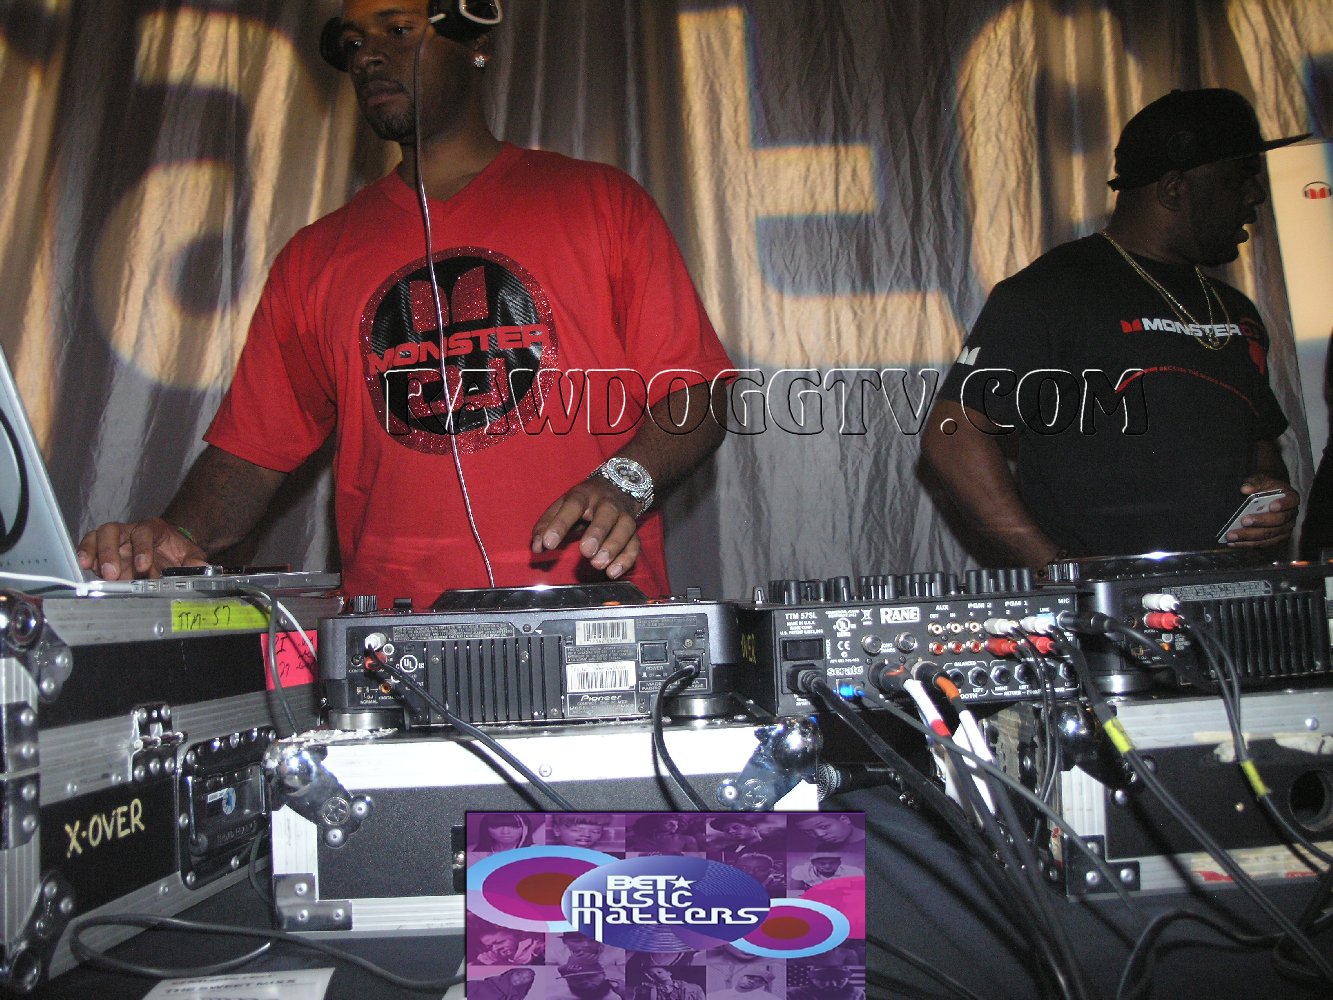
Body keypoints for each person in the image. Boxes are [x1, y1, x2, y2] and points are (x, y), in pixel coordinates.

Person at [75, 0, 732, 610]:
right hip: (395, 644)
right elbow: (253, 452)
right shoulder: (314, 257)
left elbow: (696, 391)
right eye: (353, 42)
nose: (367, 57)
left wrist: (625, 480)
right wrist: (177, 533)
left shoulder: (599, 202)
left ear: (474, 41)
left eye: (397, 30)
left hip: (594, 619)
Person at [923, 88, 1306, 568]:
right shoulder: (1053, 291)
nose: (1256, 195)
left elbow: (1260, 442)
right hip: (1110, 608)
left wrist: (1272, 499)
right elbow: (953, 435)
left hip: (1233, 597)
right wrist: (1059, 570)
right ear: (1174, 188)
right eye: (1241, 176)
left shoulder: (1234, 308)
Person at [632, 966, 705, 1000]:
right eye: (653, 975)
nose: (657, 975)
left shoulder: (694, 988)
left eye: (659, 972)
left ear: (669, 973)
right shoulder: (647, 991)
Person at [471, 967, 537, 1000]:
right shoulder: (479, 985)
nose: (521, 978)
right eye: (518, 974)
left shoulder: (516, 998)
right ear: (511, 973)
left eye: (527, 978)